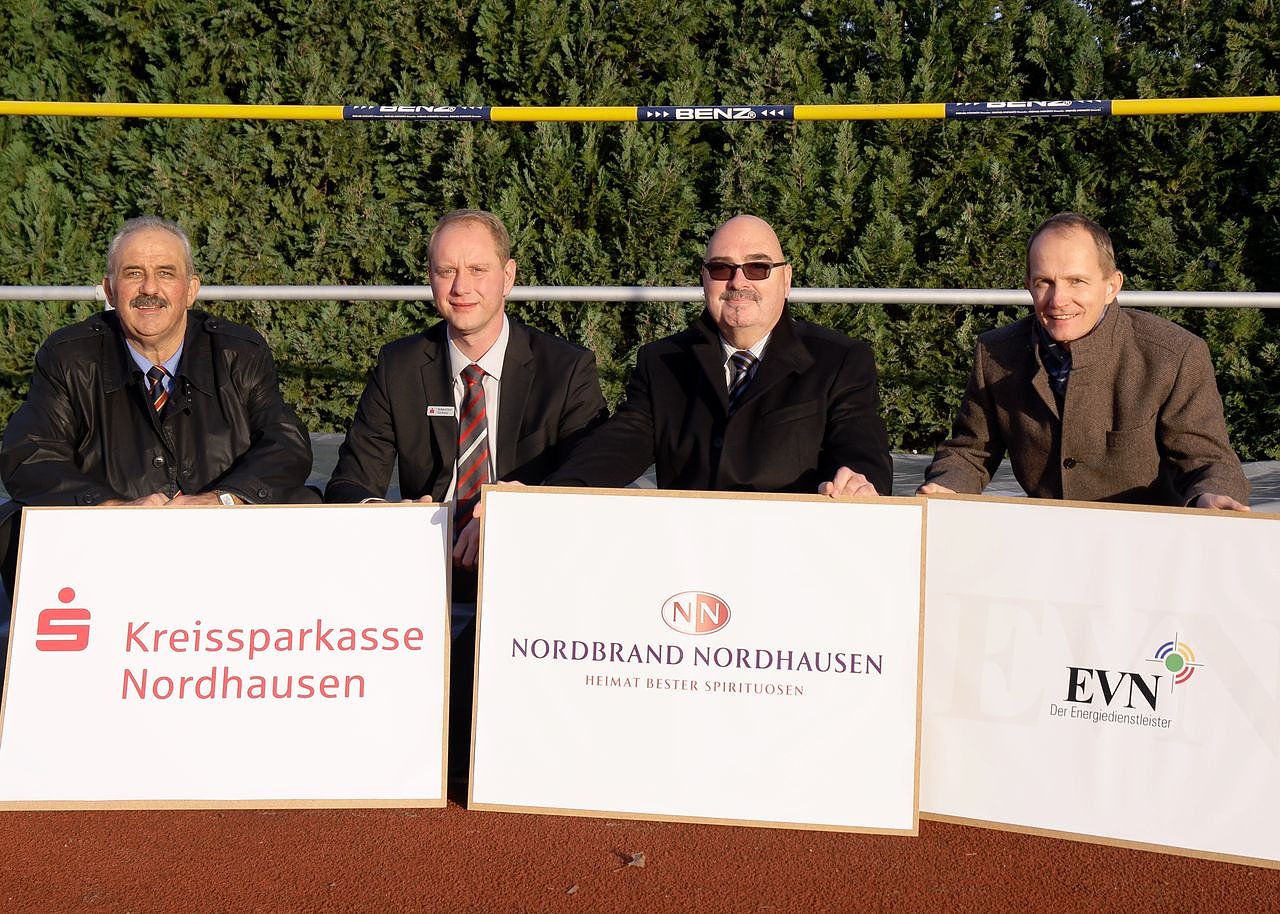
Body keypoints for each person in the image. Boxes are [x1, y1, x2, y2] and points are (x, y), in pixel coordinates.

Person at [324, 209, 608, 783]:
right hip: (424, 576)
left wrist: (511, 516)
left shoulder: (566, 369)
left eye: (477, 270)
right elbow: (350, 482)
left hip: (530, 578)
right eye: (446, 271)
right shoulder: (399, 366)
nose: (461, 287)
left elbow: (591, 484)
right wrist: (391, 522)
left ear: (508, 276)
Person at [0, 215, 318, 595]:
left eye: (166, 273)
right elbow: (30, 454)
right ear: (110, 289)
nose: (149, 288)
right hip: (105, 553)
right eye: (133, 273)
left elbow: (286, 444)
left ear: (191, 289)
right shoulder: (68, 357)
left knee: (305, 503)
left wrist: (223, 501)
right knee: (15, 524)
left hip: (228, 545)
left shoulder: (239, 352)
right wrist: (112, 510)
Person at [545, 213, 893, 496]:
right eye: (721, 269)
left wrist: (858, 484)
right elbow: (617, 446)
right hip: (689, 552)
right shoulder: (662, 364)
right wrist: (551, 494)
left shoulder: (838, 361)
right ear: (704, 279)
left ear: (786, 280)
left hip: (790, 548)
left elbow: (859, 447)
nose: (738, 282)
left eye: (757, 268)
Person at [920, 212, 1250, 509]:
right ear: (1029, 286)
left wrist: (1212, 495)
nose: (1058, 300)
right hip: (1050, 538)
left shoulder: (1174, 355)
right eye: (1044, 282)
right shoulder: (996, 353)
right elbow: (970, 452)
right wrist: (946, 487)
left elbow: (1208, 462)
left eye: (1076, 281)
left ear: (1111, 286)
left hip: (1149, 541)